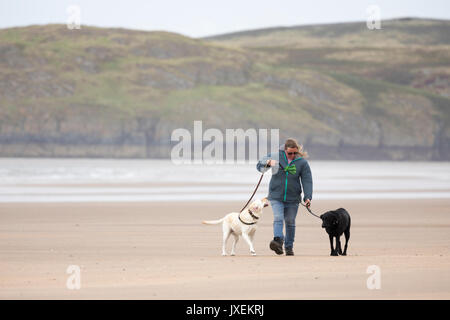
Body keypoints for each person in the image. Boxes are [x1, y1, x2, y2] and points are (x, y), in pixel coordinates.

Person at [256, 138, 313, 256]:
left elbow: (307, 181)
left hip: (293, 198)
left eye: (294, 153)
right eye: (290, 153)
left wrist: (308, 197)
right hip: (276, 195)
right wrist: (268, 163)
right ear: (284, 150)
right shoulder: (276, 156)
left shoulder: (302, 163)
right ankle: (278, 241)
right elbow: (259, 166)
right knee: (278, 217)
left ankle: (289, 247)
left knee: (290, 221)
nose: (292, 155)